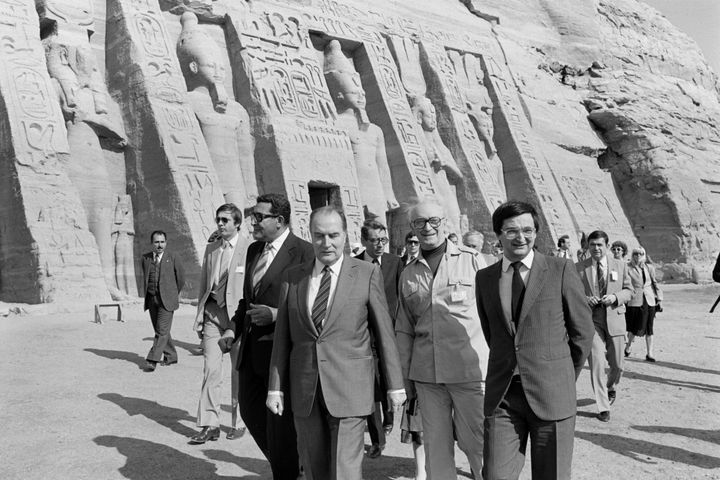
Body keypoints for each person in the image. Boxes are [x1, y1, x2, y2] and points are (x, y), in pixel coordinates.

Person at [267, 206, 406, 480]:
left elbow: (384, 334)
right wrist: (275, 388)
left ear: (345, 235)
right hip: (306, 389)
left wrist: (395, 385)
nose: (326, 243)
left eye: (333, 235)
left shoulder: (366, 273)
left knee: (345, 470)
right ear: (310, 235)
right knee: (314, 468)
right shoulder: (293, 277)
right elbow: (283, 337)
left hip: (350, 387)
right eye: (319, 236)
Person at [475, 201, 594, 480]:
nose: (521, 237)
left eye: (528, 230)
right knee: (495, 475)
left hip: (551, 392)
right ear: (498, 234)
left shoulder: (560, 270)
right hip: (504, 396)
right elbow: (493, 334)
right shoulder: (485, 278)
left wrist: (561, 374)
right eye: (512, 231)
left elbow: (582, 333)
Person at [395, 200, 488, 479]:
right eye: (420, 222)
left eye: (433, 220)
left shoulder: (473, 260)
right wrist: (405, 379)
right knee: (435, 451)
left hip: (469, 373)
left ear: (444, 222)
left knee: (479, 446)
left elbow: (492, 315)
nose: (428, 228)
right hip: (427, 376)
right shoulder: (408, 273)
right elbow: (404, 330)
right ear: (412, 228)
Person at [230, 194, 313, 480]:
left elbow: (313, 306)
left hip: (282, 355)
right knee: (251, 414)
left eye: (259, 217)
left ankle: (289, 470)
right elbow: (246, 301)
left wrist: (276, 315)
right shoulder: (254, 250)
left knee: (280, 427)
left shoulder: (304, 252)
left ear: (279, 220)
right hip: (250, 354)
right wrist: (232, 328)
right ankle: (294, 465)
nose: (253, 221)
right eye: (253, 215)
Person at [191, 203, 247, 444]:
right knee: (211, 370)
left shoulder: (250, 249)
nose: (221, 224)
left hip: (237, 319)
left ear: (237, 223)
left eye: (225, 220)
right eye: (218, 220)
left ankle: (239, 422)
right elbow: (205, 283)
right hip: (213, 314)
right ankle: (209, 424)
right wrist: (200, 316)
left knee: (238, 371)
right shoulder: (212, 248)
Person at [355, 219, 402, 458]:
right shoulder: (354, 265)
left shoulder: (396, 263)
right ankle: (377, 438)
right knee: (369, 386)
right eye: (374, 240)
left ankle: (390, 417)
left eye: (383, 240)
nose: (380, 245)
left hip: (390, 335)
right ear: (364, 241)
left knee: (388, 381)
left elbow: (402, 298)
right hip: (364, 336)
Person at [576, 230, 633, 422]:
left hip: (615, 317)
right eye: (592, 245)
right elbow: (572, 294)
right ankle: (603, 406)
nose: (596, 248)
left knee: (617, 364)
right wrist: (585, 298)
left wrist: (615, 297)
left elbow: (629, 291)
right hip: (591, 320)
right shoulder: (579, 268)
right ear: (588, 246)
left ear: (607, 247)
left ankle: (611, 387)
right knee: (597, 363)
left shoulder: (621, 265)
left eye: (600, 245)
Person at [141, 231, 185, 372]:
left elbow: (181, 278)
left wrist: (172, 293)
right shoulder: (145, 258)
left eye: (162, 242)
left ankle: (152, 359)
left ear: (166, 242)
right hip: (152, 299)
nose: (160, 245)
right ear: (152, 243)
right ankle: (171, 356)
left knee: (161, 330)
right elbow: (146, 277)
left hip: (167, 300)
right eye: (156, 242)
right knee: (161, 330)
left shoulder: (173, 257)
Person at [624, 247, 663, 362]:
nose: (638, 256)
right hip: (635, 300)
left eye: (641, 254)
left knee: (649, 327)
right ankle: (628, 346)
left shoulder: (649, 268)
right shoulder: (627, 268)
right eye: (635, 253)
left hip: (649, 299)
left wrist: (659, 299)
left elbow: (654, 283)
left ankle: (649, 353)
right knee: (634, 327)